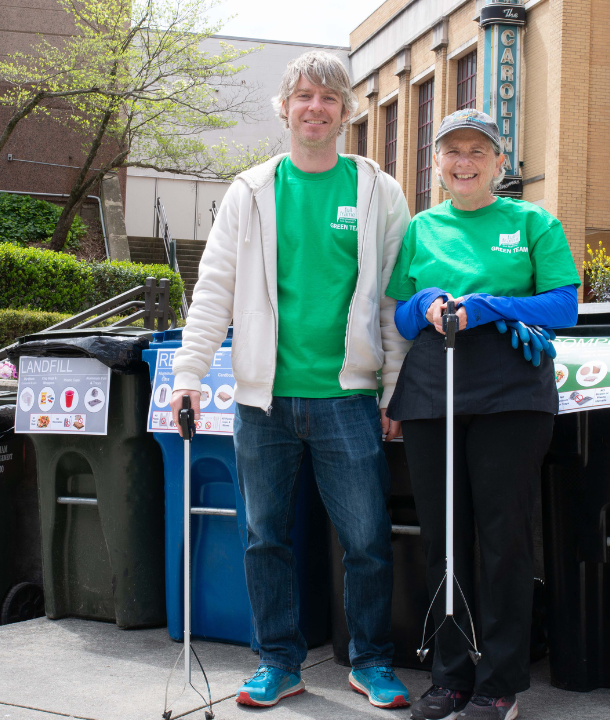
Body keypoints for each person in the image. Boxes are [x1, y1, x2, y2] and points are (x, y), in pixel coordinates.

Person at [169, 51, 412, 710]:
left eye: (328, 98)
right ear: (285, 107)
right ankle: (278, 662)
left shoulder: (377, 192)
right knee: (264, 537)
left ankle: (370, 660)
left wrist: (394, 391)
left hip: (349, 400)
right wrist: (188, 374)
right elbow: (214, 288)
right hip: (262, 401)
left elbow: (393, 298)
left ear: (345, 111)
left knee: (366, 540)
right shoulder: (249, 191)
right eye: (303, 96)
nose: (314, 107)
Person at [385, 109, 581, 720]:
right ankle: (450, 677)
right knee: (445, 536)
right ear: (435, 164)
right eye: (451, 152)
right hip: (430, 393)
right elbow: (397, 314)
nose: (463, 161)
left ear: (501, 162)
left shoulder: (533, 223)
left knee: (503, 538)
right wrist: (424, 303)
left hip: (510, 394)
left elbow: (564, 306)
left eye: (478, 150)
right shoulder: (420, 228)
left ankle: (499, 683)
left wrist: (489, 306)